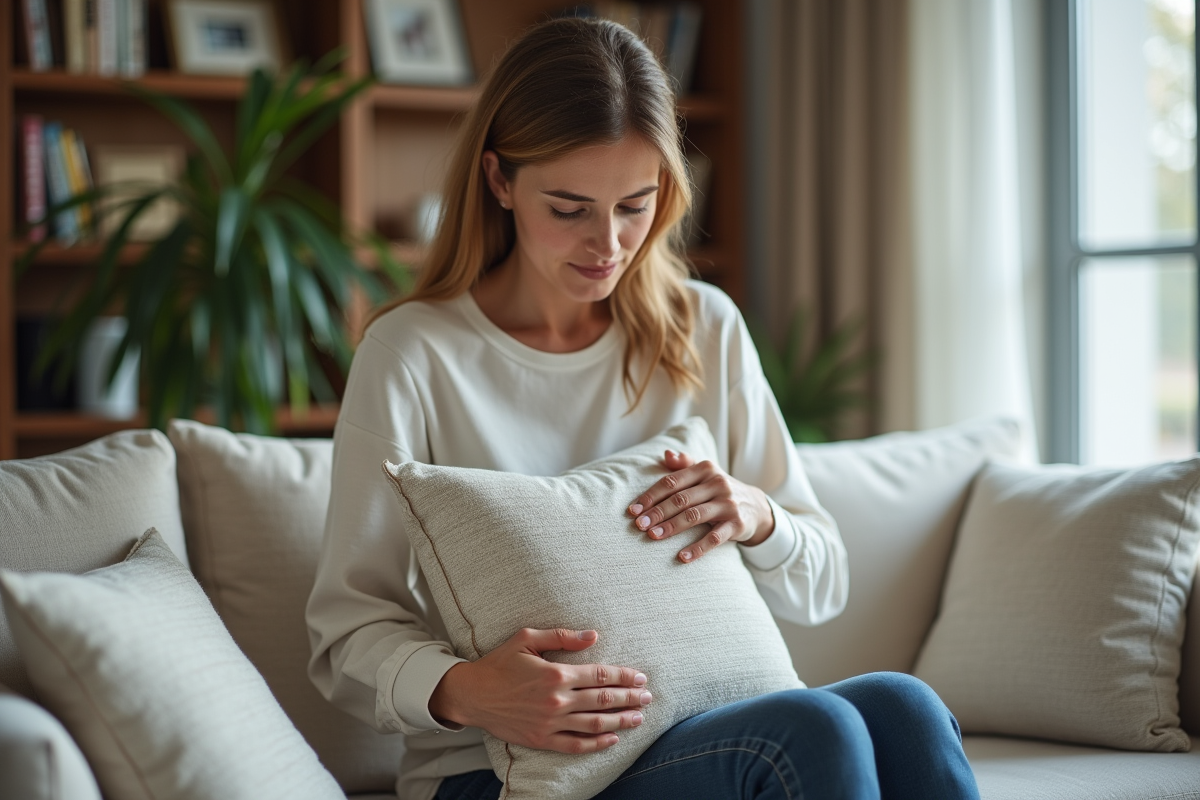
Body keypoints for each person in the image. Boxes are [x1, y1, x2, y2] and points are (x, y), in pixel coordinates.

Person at [306, 15, 980, 800]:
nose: (608, 244)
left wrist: (756, 515)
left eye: (635, 204)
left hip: (705, 730)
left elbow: (821, 584)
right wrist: (468, 690)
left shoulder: (705, 328)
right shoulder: (412, 353)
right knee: (815, 731)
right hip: (496, 770)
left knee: (907, 708)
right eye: (569, 208)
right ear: (499, 181)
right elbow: (343, 634)